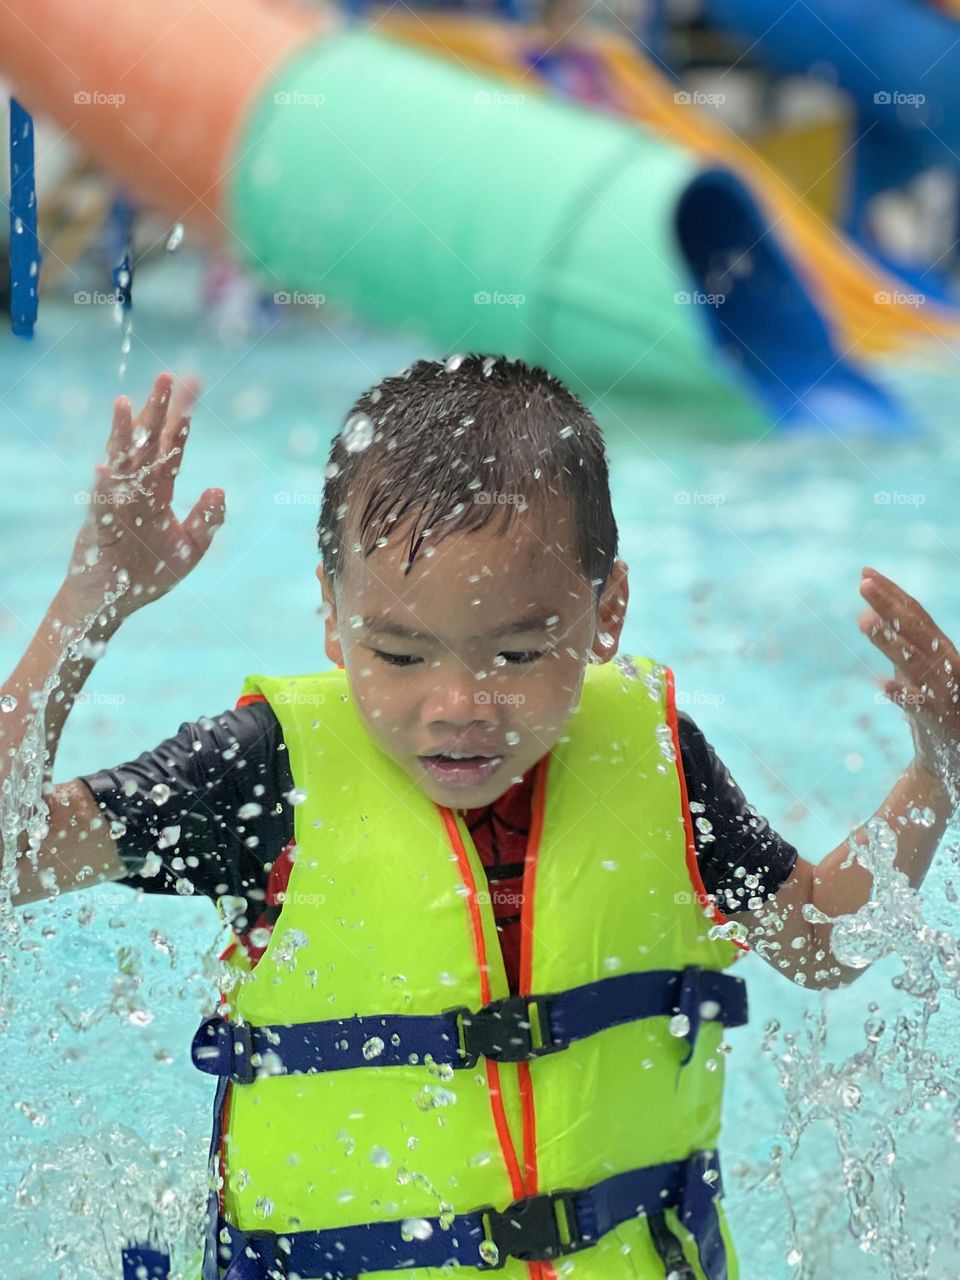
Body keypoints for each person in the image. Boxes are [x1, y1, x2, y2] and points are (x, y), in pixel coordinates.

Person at [5, 357, 958, 1280]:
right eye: (402, 655)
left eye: (517, 652)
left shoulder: (658, 759)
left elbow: (823, 940)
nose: (460, 703)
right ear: (333, 619)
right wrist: (90, 602)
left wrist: (937, 771)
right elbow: (17, 855)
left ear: (606, 611)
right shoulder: (266, 770)